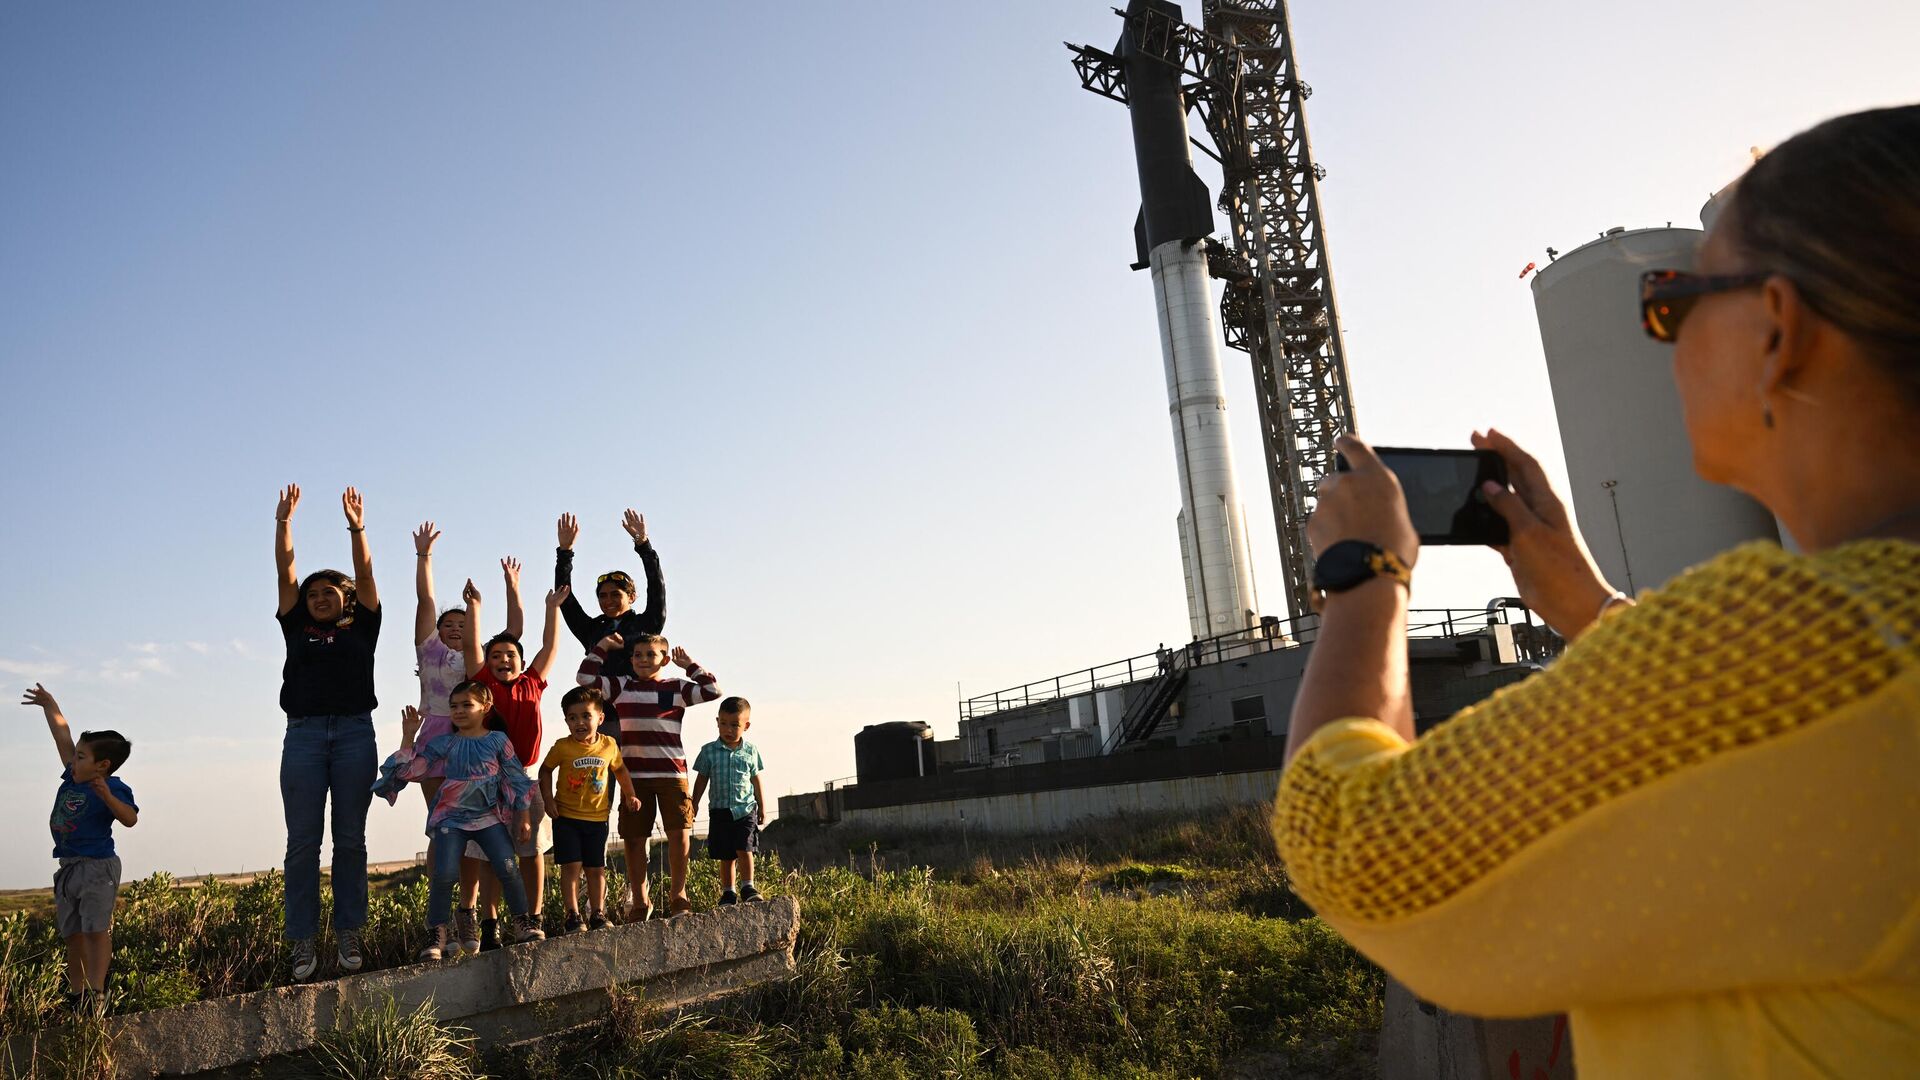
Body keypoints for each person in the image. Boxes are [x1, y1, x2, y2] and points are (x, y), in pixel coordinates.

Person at [1270, 105, 1920, 1077]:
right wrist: (1588, 606)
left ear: (1778, 331)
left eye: (1673, 299)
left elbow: (1350, 842)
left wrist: (1367, 576)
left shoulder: (1818, 642)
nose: (1662, 338)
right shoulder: (1856, 642)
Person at [273, 484, 380, 983]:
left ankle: (349, 931)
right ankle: (302, 940)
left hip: (357, 734)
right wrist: (284, 524)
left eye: (328, 593)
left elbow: (366, 573)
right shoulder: (296, 627)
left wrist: (357, 528)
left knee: (351, 841)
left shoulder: (363, 627)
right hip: (305, 737)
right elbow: (286, 573)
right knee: (302, 844)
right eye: (312, 594)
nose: (318, 599)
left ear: (348, 600)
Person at [372, 686, 543, 959]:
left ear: (485, 707)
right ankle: (436, 935)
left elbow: (516, 779)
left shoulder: (498, 741)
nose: (459, 711)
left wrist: (522, 815)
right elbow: (409, 769)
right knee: (445, 874)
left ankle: (523, 923)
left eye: (467, 705)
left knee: (508, 867)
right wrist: (408, 735)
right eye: (454, 706)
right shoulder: (446, 743)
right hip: (450, 817)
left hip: (488, 816)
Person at [455, 580, 567, 952]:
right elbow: (472, 646)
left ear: (521, 661)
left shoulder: (533, 682)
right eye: (497, 655)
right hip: (485, 780)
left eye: (511, 655)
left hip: (527, 777)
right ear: (487, 664)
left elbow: (550, 646)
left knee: (531, 851)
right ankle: (490, 925)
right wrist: (474, 607)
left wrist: (552, 608)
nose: (504, 660)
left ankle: (530, 919)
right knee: (489, 855)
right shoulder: (481, 684)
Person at [578, 632, 720, 920]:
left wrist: (689, 665)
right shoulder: (620, 687)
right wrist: (603, 646)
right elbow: (584, 678)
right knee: (633, 837)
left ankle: (679, 895)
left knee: (679, 834)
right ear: (630, 660)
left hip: (671, 773)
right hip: (634, 777)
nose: (643, 659)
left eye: (651, 654)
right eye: (638, 655)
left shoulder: (676, 688)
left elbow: (712, 690)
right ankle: (641, 901)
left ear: (664, 659)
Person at [20, 685, 137, 1016]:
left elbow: (130, 819)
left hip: (97, 867)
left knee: (95, 930)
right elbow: (62, 736)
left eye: (82, 756)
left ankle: (95, 993)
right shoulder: (73, 778)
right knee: (73, 935)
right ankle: (77, 995)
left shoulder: (113, 786)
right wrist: (49, 704)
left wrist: (107, 798)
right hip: (68, 868)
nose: (74, 759)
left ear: (102, 765)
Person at [411, 520, 523, 810]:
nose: (456, 628)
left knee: (476, 815)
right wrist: (424, 557)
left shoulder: (480, 656)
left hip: (475, 734)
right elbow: (425, 600)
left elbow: (514, 631)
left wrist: (512, 587)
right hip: (437, 730)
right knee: (440, 816)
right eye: (448, 624)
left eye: (462, 623)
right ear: (437, 630)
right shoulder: (429, 650)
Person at [538, 686, 641, 933]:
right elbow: (545, 770)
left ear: (600, 718)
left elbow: (620, 770)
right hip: (567, 817)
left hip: (597, 818)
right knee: (571, 867)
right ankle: (572, 915)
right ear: (566, 721)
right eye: (572, 718)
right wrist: (547, 800)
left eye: (586, 716)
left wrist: (630, 795)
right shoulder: (563, 747)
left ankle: (597, 912)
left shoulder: (609, 745)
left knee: (596, 869)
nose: (579, 722)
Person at [553, 510, 665, 678]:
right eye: (603, 596)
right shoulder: (591, 630)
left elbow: (656, 587)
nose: (608, 600)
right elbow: (565, 597)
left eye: (615, 594)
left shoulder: (647, 624)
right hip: (600, 701)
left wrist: (643, 545)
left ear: (631, 597)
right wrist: (565, 552)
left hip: (639, 701)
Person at [690, 697, 767, 906]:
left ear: (746, 726)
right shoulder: (708, 751)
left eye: (735, 725)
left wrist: (762, 805)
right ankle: (728, 892)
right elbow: (702, 779)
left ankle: (748, 886)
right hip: (720, 810)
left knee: (745, 848)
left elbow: (756, 778)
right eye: (723, 723)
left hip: (745, 809)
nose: (728, 729)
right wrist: (693, 803)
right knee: (726, 855)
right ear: (717, 722)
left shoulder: (751, 751)